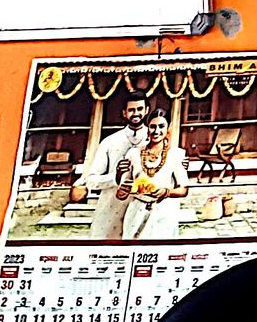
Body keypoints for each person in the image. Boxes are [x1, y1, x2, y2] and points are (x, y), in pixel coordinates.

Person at [69, 95, 150, 240]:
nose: (136, 113)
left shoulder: (156, 141)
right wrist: (116, 178)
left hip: (143, 210)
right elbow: (91, 180)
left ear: (146, 110)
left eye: (140, 109)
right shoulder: (110, 142)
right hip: (111, 209)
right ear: (124, 113)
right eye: (131, 110)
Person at [121, 111, 193, 241]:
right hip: (136, 211)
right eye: (152, 126)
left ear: (168, 128)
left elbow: (184, 190)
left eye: (161, 126)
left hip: (162, 213)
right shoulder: (133, 153)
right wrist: (122, 188)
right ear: (147, 127)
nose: (156, 131)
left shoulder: (176, 154)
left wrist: (166, 192)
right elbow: (124, 187)